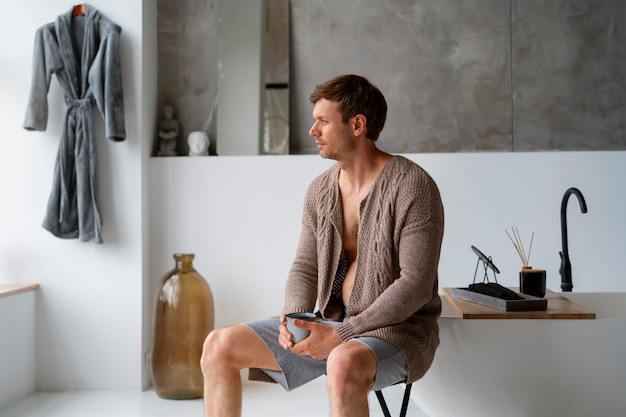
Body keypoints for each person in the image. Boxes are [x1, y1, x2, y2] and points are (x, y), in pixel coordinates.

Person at [200, 74, 444, 417]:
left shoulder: (412, 185)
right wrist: (294, 317)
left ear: (357, 124)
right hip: (329, 322)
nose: (313, 131)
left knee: (342, 363)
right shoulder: (320, 190)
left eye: (323, 122)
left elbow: (415, 285)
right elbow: (305, 266)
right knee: (218, 346)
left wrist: (344, 334)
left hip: (397, 332)